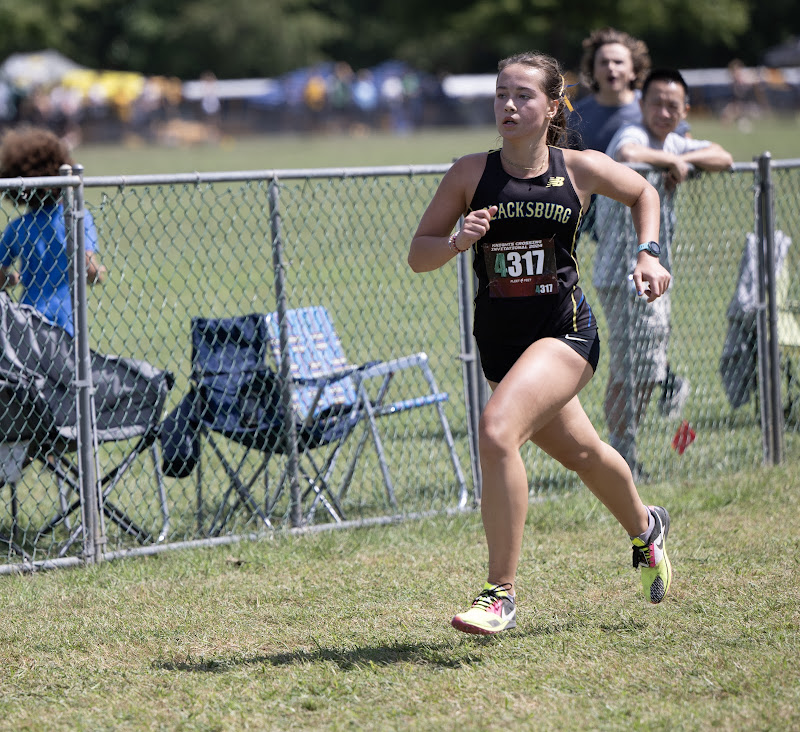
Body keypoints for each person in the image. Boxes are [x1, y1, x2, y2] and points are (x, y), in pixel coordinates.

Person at [408, 50, 673, 635]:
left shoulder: (579, 168)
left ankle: (498, 593)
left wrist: (648, 253)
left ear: (553, 106)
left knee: (497, 430)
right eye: (501, 94)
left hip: (564, 334)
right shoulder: (469, 174)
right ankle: (646, 526)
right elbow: (418, 255)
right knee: (583, 454)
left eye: (522, 95)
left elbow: (644, 194)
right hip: (502, 347)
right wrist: (456, 241)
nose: (508, 105)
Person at [592, 69, 733, 477]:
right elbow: (628, 154)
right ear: (641, 104)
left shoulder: (674, 141)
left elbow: (723, 157)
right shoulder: (632, 133)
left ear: (685, 110)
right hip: (624, 272)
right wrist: (673, 162)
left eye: (673, 105)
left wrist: (682, 158)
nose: (664, 112)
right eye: (656, 103)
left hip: (653, 272)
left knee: (646, 366)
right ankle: (621, 456)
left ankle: (624, 454)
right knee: (632, 366)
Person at [567, 27, 690, 424]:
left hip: (639, 233)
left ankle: (661, 379)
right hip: (590, 226)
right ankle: (654, 387)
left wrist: (672, 164)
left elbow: (678, 144)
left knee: (642, 329)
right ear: (593, 68)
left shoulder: (648, 109)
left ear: (634, 68)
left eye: (619, 61)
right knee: (626, 332)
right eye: (603, 61)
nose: (611, 68)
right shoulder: (578, 114)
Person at [0, 126, 107, 337]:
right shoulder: (77, 217)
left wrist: (11, 279)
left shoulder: (18, 227)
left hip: (28, 319)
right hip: (66, 320)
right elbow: (89, 268)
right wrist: (98, 274)